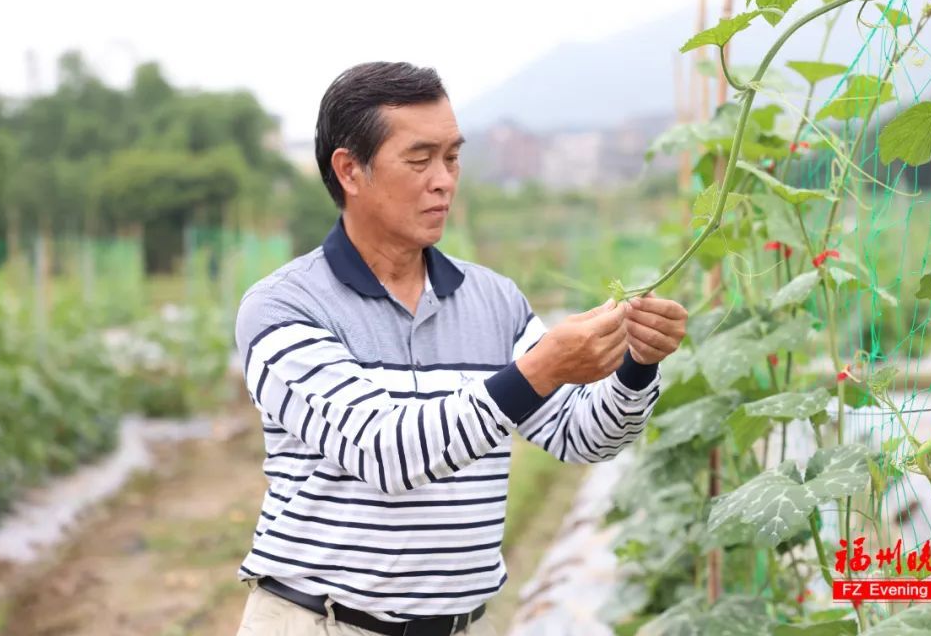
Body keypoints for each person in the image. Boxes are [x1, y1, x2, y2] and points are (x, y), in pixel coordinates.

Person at [233, 62, 688, 636]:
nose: (444, 180)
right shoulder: (285, 307)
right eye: (419, 160)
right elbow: (385, 453)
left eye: (452, 157)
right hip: (319, 624)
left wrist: (636, 367)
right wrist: (538, 369)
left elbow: (581, 437)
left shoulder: (494, 301)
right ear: (349, 170)